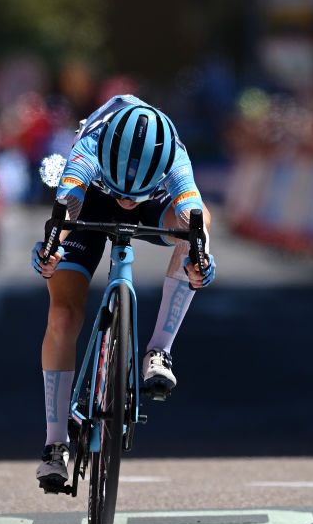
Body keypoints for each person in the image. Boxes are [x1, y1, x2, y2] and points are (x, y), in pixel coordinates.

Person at [31, 94, 217, 491]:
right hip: (91, 205)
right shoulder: (90, 146)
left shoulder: (173, 155)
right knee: (63, 315)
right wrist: (51, 250)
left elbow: (191, 210)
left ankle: (159, 350)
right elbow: (66, 210)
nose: (126, 202)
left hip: (156, 205)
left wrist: (198, 258)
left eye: (133, 195)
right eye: (123, 193)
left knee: (199, 228)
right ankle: (54, 445)